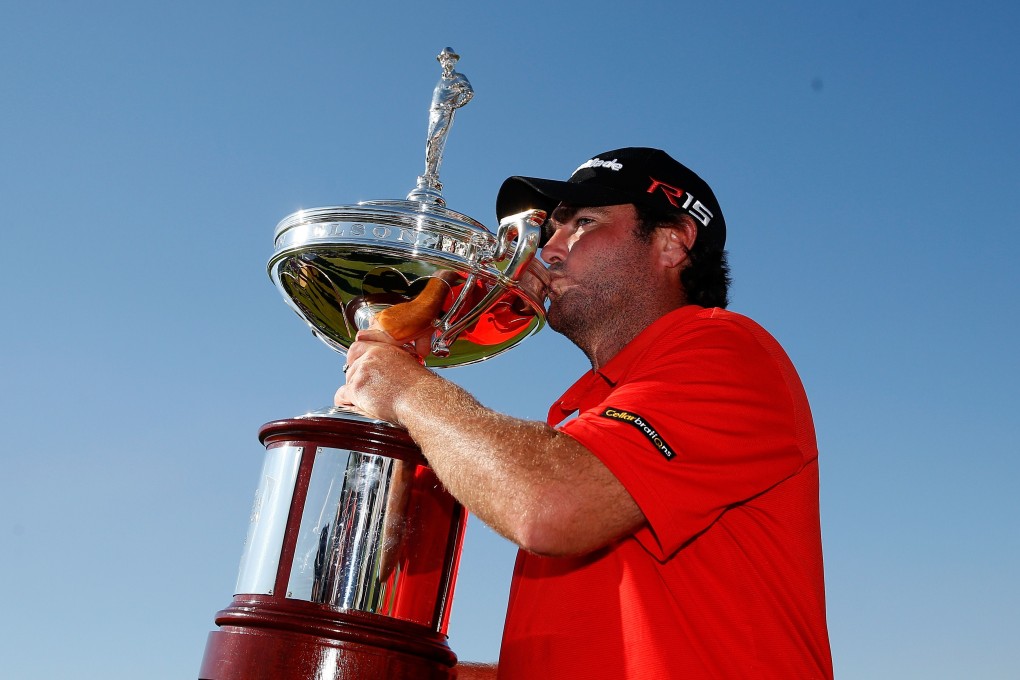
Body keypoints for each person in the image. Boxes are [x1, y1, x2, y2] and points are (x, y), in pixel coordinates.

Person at [335, 147, 833, 679]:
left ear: (673, 242)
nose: (545, 251)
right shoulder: (587, 417)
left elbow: (549, 508)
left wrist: (408, 390)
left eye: (583, 223)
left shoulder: (727, 350)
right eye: (551, 230)